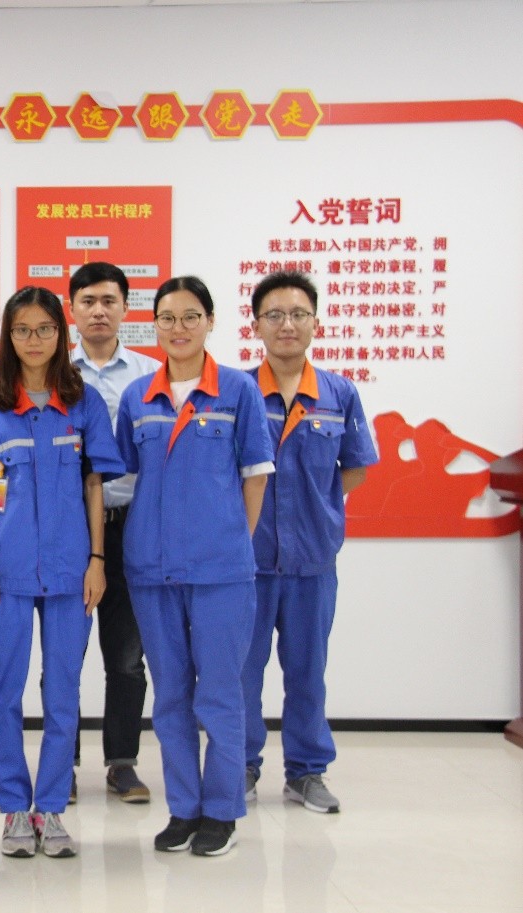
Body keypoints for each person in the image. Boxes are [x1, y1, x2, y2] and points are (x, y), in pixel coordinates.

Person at [0, 286, 124, 858]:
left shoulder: (84, 403)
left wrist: (97, 561)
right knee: (1, 691)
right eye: (22, 330)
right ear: (9, 336)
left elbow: (94, 485)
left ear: (61, 334)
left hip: (72, 570)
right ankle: (12, 809)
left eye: (45, 329)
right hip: (3, 572)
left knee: (63, 693)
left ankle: (50, 807)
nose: (34, 340)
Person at [115, 275, 273, 858]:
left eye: (190, 317)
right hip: (152, 569)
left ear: (210, 322)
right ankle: (183, 807)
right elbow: (125, 476)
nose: (177, 328)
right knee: (171, 695)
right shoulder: (138, 397)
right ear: (153, 325)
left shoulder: (238, 390)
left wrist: (232, 542)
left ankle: (222, 810)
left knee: (221, 694)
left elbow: (255, 476)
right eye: (166, 318)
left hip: (221, 571)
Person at [242, 271, 377, 814]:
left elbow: (355, 467)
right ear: (257, 325)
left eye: (298, 314)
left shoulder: (339, 394)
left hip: (313, 561)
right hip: (248, 562)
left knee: (307, 673)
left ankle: (306, 771)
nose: (287, 325)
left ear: (315, 323)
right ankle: (240, 766)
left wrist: (315, 508)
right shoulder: (239, 391)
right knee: (241, 672)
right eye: (274, 315)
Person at [66, 261, 160, 804]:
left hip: (133, 527)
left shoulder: (150, 375)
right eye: (88, 301)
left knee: (126, 656)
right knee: (65, 654)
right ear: (72, 309)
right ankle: (63, 763)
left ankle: (122, 762)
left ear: (126, 307)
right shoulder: (55, 372)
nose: (99, 311)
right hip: (70, 529)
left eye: (109, 301)